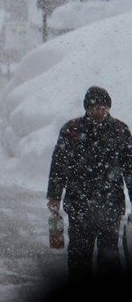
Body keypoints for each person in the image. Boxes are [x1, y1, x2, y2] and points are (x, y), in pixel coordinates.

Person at [46, 86, 132, 283]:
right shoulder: (72, 130)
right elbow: (58, 166)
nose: (99, 111)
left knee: (109, 258)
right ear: (87, 108)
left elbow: (130, 169)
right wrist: (54, 196)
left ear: (109, 108)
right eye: (94, 107)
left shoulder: (120, 131)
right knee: (79, 256)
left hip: (110, 205)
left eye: (103, 107)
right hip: (79, 205)